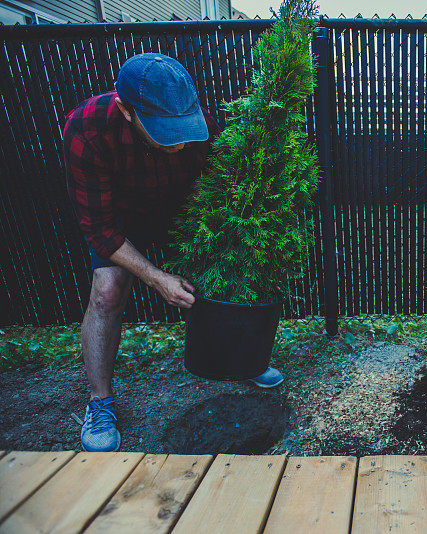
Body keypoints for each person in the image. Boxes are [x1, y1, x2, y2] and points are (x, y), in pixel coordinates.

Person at [63, 53, 284, 453]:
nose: (181, 141)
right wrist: (154, 276)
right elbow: (99, 229)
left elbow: (223, 185)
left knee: (224, 267)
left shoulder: (202, 126)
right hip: (119, 217)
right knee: (108, 290)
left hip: (179, 210)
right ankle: (100, 401)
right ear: (126, 111)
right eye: (167, 131)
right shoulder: (87, 130)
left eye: (185, 128)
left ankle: (243, 362)